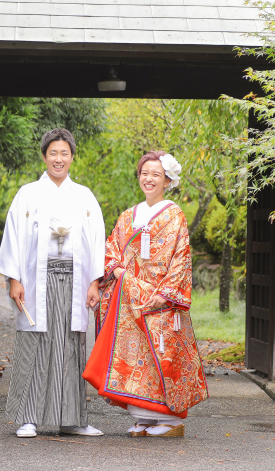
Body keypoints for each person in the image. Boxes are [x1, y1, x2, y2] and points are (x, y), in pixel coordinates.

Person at [83, 150, 208, 438]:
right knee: (133, 358)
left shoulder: (174, 215)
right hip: (128, 298)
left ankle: (170, 420)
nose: (149, 179)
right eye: (144, 173)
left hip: (157, 299)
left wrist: (166, 293)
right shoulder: (130, 214)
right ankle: (144, 418)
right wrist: (115, 270)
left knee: (160, 357)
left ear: (167, 180)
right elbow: (112, 247)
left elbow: (181, 258)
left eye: (156, 174)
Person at [0, 128, 106, 439]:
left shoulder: (84, 196)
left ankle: (72, 419)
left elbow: (96, 242)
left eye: (64, 153)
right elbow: (14, 239)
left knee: (71, 346)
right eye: (53, 153)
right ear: (44, 156)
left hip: (75, 280)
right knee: (35, 343)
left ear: (72, 157)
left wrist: (94, 282)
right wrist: (14, 279)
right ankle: (26, 418)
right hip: (35, 282)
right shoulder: (27, 194)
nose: (59, 159)